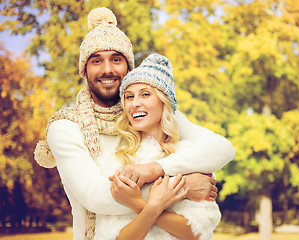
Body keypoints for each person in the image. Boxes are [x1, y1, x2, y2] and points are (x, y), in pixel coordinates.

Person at [34, 7, 235, 240]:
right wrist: (183, 186)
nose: (107, 69)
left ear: (128, 67)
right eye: (96, 61)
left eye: (116, 60)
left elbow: (222, 148)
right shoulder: (66, 127)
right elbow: (95, 196)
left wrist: (155, 170)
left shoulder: (147, 114)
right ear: (84, 70)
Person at [93, 53, 223, 240]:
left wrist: (139, 204)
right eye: (129, 97)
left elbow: (196, 232)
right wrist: (154, 205)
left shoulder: (191, 157)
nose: (135, 103)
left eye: (145, 94)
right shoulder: (115, 161)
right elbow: (114, 236)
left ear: (164, 101)